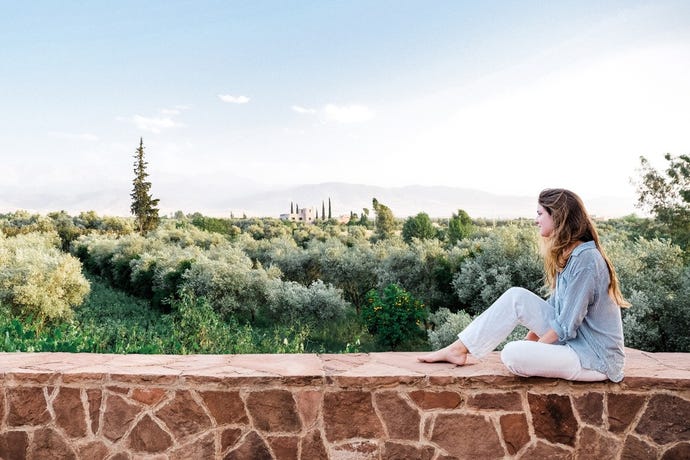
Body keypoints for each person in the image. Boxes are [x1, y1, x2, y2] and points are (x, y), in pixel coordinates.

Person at [418, 188, 629, 382]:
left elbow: (565, 324)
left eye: (540, 214)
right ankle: (458, 349)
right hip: (577, 343)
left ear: (557, 216)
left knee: (512, 353)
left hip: (595, 358)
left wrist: (535, 350)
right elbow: (554, 310)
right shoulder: (568, 254)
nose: (536, 220)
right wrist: (533, 345)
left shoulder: (586, 259)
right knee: (516, 296)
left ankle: (505, 350)